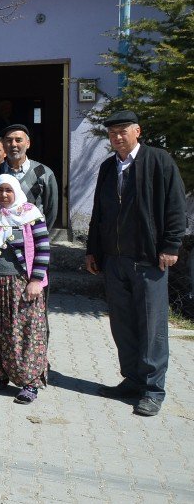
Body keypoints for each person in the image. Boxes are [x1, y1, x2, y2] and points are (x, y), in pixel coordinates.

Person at [86, 110, 186, 417]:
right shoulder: (107, 167)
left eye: (123, 131)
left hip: (147, 259)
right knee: (123, 324)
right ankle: (132, 379)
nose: (117, 137)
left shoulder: (158, 161)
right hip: (115, 260)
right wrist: (93, 250)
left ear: (137, 132)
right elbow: (99, 212)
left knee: (152, 325)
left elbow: (175, 205)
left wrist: (170, 245)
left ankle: (153, 389)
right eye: (112, 132)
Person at [0, 175, 51, 404]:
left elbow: (43, 249)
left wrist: (36, 280)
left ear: (16, 191)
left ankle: (30, 382)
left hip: (21, 284)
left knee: (25, 333)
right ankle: (0, 374)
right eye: (0, 190)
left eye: (8, 190)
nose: (4, 195)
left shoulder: (29, 215)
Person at [0, 125, 59, 228]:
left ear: (28, 143)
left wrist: (41, 236)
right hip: (2, 239)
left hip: (33, 237)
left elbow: (51, 211)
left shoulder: (43, 173)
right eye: (8, 140)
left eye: (18, 140)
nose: (13, 144)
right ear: (3, 144)